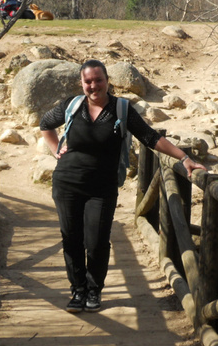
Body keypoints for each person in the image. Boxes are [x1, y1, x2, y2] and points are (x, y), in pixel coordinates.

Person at [40, 59, 207, 313]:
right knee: (71, 239)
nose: (93, 86)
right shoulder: (71, 106)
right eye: (88, 81)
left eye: (98, 80)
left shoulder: (121, 109)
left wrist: (184, 158)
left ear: (108, 81)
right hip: (67, 184)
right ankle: (78, 290)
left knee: (96, 241)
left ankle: (94, 290)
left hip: (102, 187)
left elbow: (151, 137)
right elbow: (45, 124)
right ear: (81, 83)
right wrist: (56, 151)